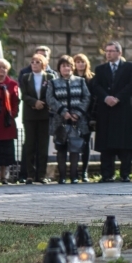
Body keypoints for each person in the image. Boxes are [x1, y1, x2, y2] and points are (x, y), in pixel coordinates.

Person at [90, 42, 132, 183]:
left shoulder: (129, 67)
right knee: (106, 145)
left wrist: (117, 98)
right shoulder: (100, 69)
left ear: (119, 52)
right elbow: (96, 86)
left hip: (123, 111)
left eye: (111, 51)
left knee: (125, 145)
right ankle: (107, 174)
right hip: (106, 112)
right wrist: (106, 97)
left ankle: (125, 174)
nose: (108, 53)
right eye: (106, 51)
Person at [47, 55, 91, 184]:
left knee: (75, 148)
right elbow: (50, 99)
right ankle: (61, 176)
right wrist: (63, 112)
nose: (66, 68)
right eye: (63, 66)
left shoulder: (80, 81)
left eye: (68, 65)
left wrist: (77, 113)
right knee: (61, 148)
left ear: (72, 67)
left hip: (77, 122)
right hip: (60, 121)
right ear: (59, 68)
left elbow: (87, 98)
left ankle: (74, 176)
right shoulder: (53, 83)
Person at [19, 53, 51, 184]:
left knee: (43, 146)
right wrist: (34, 102)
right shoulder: (26, 77)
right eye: (32, 62)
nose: (34, 64)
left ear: (43, 64)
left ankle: (41, 175)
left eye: (37, 62)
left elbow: (51, 94)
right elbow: (24, 95)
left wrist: (41, 102)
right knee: (30, 145)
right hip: (30, 115)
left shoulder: (49, 77)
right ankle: (30, 175)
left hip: (44, 114)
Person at [0, 58, 19, 184]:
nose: (1, 70)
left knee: (5, 152)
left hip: (6, 123)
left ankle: (3, 177)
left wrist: (11, 114)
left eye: (4, 67)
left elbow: (16, 103)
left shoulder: (12, 84)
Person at [73, 53, 95, 181]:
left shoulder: (91, 78)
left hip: (87, 115)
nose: (81, 64)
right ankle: (74, 173)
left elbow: (93, 98)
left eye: (83, 62)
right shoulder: (70, 78)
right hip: (73, 115)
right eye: (78, 62)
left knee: (85, 143)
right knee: (74, 144)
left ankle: (84, 172)